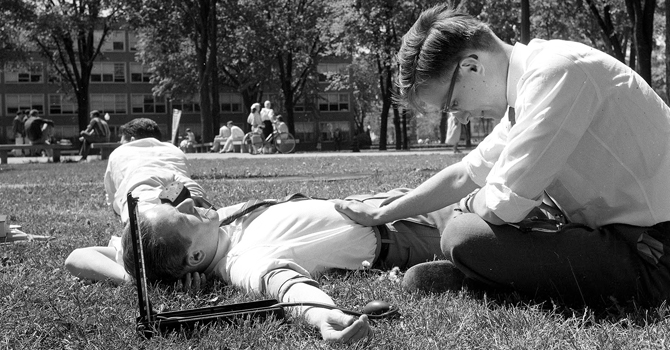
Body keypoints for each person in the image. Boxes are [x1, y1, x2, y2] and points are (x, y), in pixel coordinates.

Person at [334, 3, 670, 308]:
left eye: (452, 105)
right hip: (625, 237)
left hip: (653, 254)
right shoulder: (532, 84)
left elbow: (502, 206)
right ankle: (490, 274)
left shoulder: (556, 73)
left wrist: (471, 204)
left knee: (462, 234)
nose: (460, 118)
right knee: (473, 227)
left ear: (471, 67)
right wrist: (385, 212)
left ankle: (485, 276)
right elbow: (465, 173)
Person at [64, 118, 450, 343]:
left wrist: (140, 279)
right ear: (195, 257)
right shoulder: (239, 261)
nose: (183, 201)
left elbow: (77, 257)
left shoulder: (209, 227)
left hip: (376, 202)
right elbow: (281, 284)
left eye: (171, 203)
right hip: (407, 234)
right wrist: (321, 316)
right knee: (489, 212)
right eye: (183, 215)